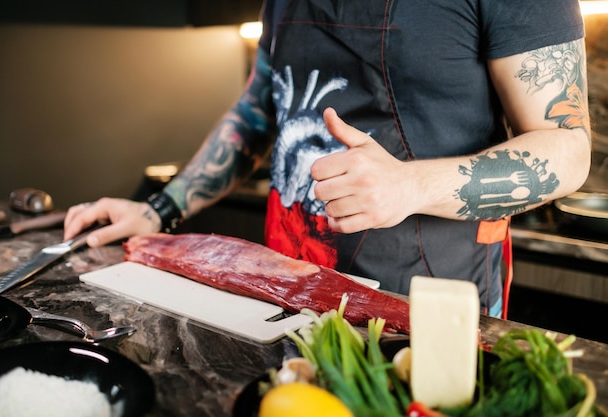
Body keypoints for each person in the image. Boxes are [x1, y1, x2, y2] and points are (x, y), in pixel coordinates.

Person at [64, 0, 591, 318]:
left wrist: (408, 186)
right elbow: (258, 109)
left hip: (430, 301)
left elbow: (567, 148)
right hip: (284, 291)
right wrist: (159, 209)